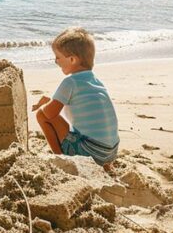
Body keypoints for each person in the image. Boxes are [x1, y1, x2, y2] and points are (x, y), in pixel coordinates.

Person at [32, 28, 119, 167]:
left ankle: (61, 159)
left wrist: (42, 105)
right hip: (109, 153)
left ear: (72, 59)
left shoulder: (70, 82)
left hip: (90, 153)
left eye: (58, 57)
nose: (56, 61)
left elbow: (49, 114)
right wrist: (51, 101)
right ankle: (106, 165)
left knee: (41, 114)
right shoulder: (95, 81)